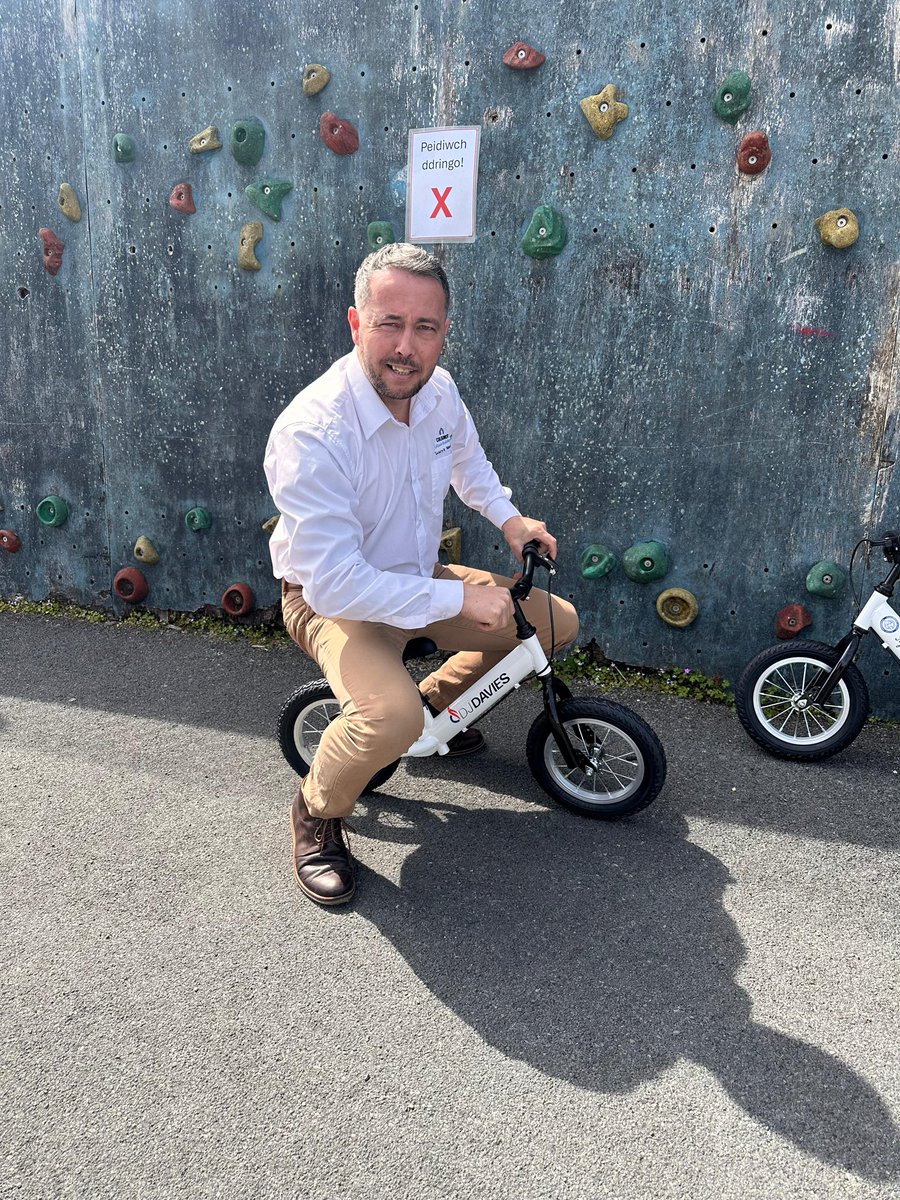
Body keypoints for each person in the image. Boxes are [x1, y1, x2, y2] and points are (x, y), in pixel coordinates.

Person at [264, 243, 579, 906]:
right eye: (389, 323)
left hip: (415, 574)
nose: (406, 346)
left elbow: (471, 469)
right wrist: (456, 595)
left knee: (553, 622)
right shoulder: (313, 432)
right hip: (331, 601)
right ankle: (315, 815)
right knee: (387, 719)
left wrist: (511, 521)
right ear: (356, 324)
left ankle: (436, 706)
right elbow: (335, 583)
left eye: (425, 328)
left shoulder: (438, 392)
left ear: (443, 333)